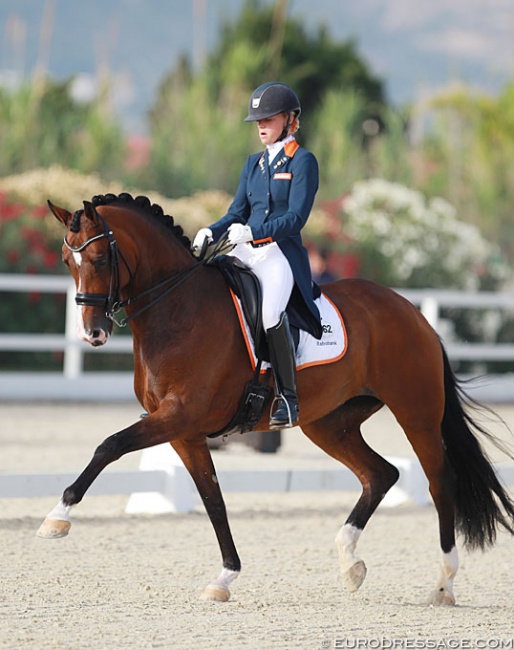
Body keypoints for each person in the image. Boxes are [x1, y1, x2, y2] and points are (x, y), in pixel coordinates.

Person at [193, 81, 322, 429]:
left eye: (268, 118)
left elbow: (296, 218)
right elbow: (237, 211)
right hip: (245, 251)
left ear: (289, 119)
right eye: (258, 120)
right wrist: (212, 230)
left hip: (279, 254)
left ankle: (288, 398)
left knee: (269, 314)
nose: (261, 125)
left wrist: (254, 232)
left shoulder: (302, 161)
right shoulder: (253, 164)